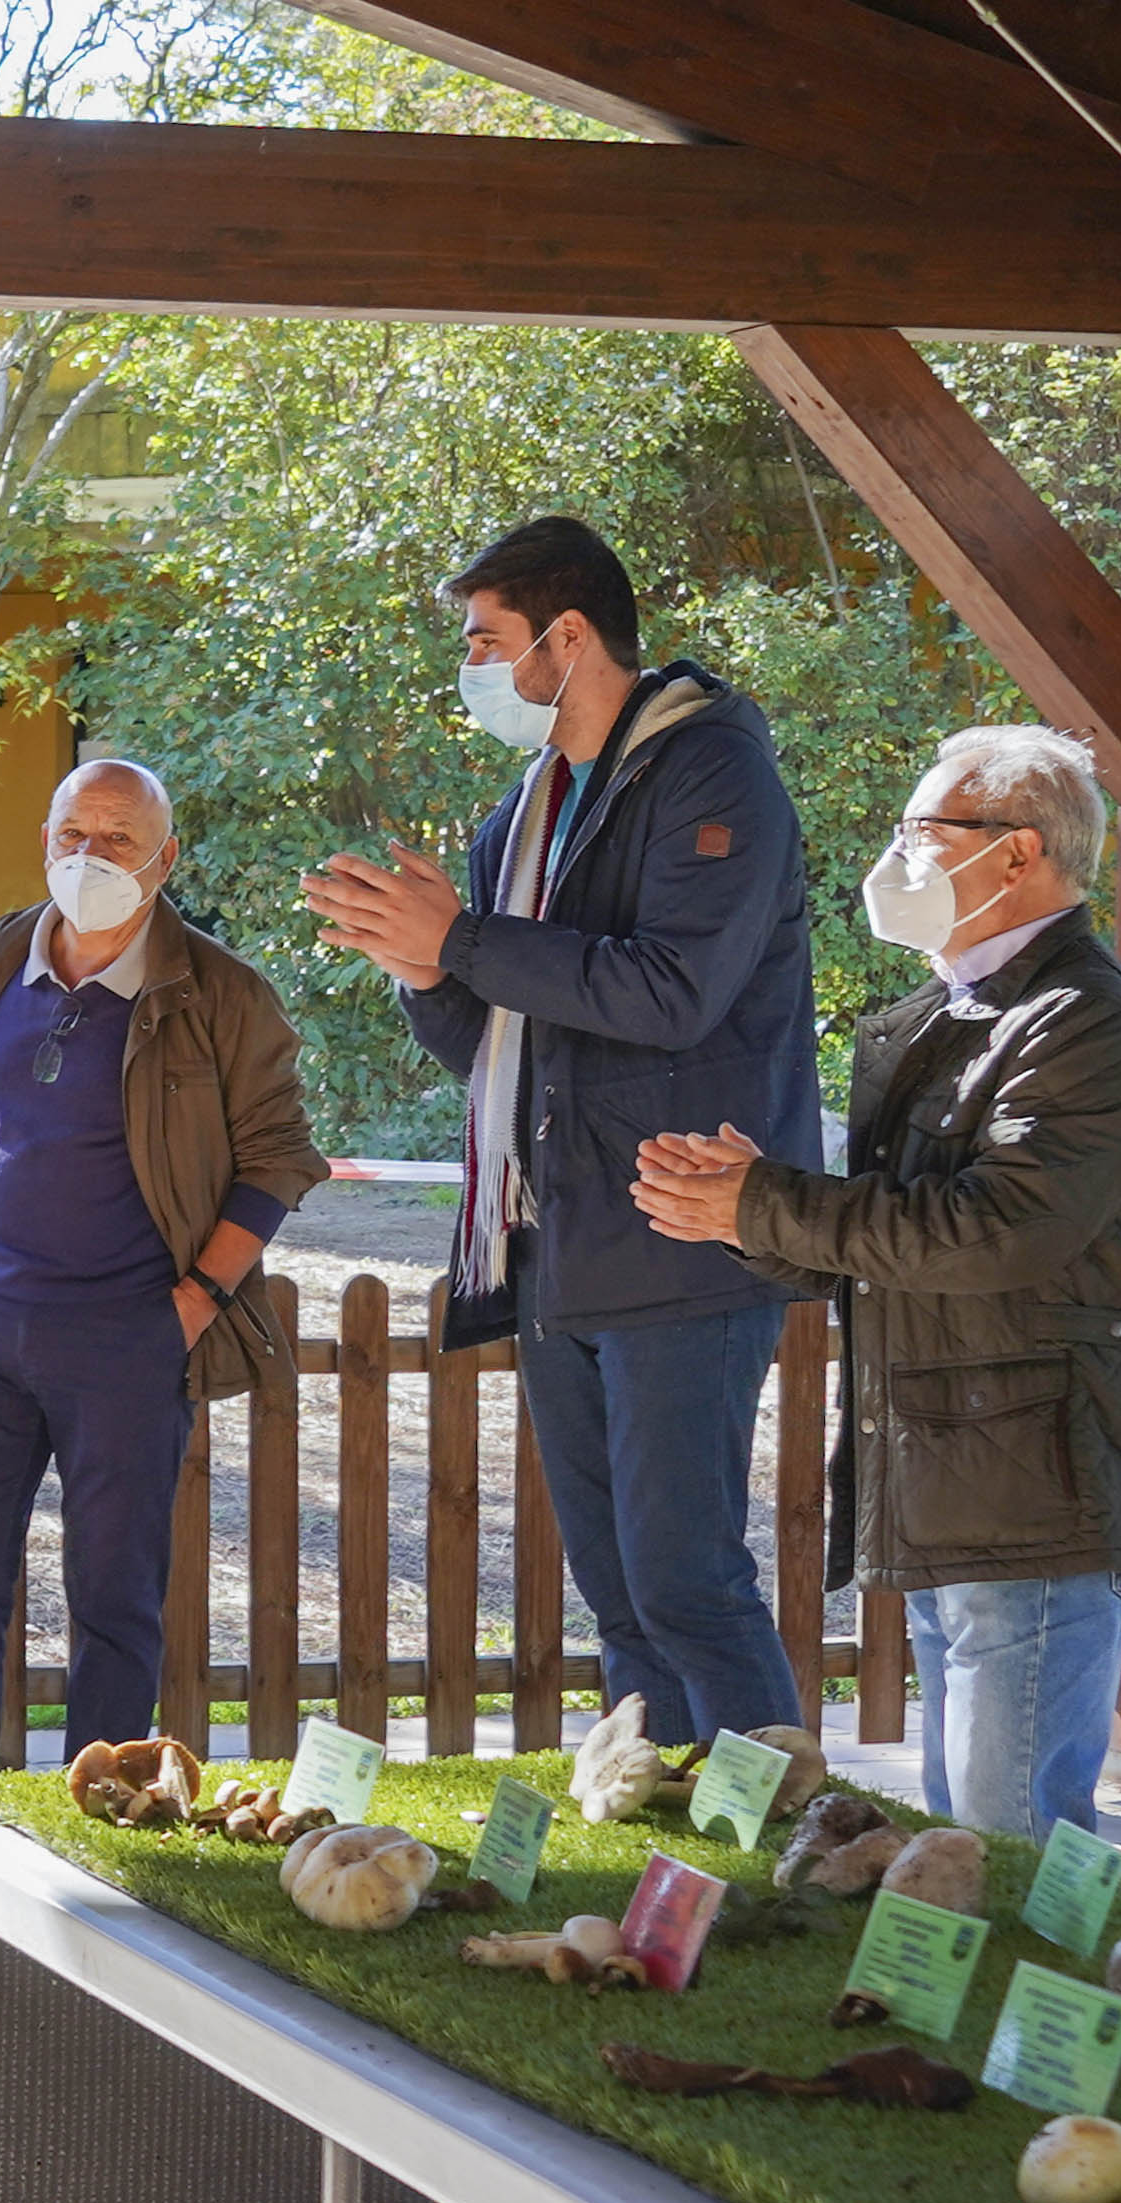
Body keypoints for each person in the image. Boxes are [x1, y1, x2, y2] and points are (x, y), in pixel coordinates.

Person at [298, 517, 821, 1752]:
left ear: (569, 636)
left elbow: (671, 992)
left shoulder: (713, 772)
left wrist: (463, 941)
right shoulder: (524, 814)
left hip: (685, 1238)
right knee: (623, 1599)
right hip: (559, 1245)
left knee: (689, 1583)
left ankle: (783, 1834)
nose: (472, 668)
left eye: (488, 641)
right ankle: (668, 1833)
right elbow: (493, 1041)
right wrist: (422, 967)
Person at [636, 726, 1121, 1837]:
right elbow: (897, 1252)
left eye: (923, 830)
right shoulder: (957, 1014)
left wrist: (766, 1202)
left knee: (1007, 1844)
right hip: (968, 1479)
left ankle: (1059, 1970)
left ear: (1017, 852)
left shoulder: (1080, 1022)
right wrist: (742, 1213)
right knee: (964, 1841)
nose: (896, 856)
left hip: (1043, 1491)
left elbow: (994, 1233)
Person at [0, 760, 329, 1904]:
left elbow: (279, 1157)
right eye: (73, 831)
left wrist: (188, 1306)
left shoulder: (222, 993)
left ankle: (97, 1832)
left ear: (166, 857)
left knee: (114, 1596)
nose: (90, 854)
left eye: (118, 835)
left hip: (127, 1340)